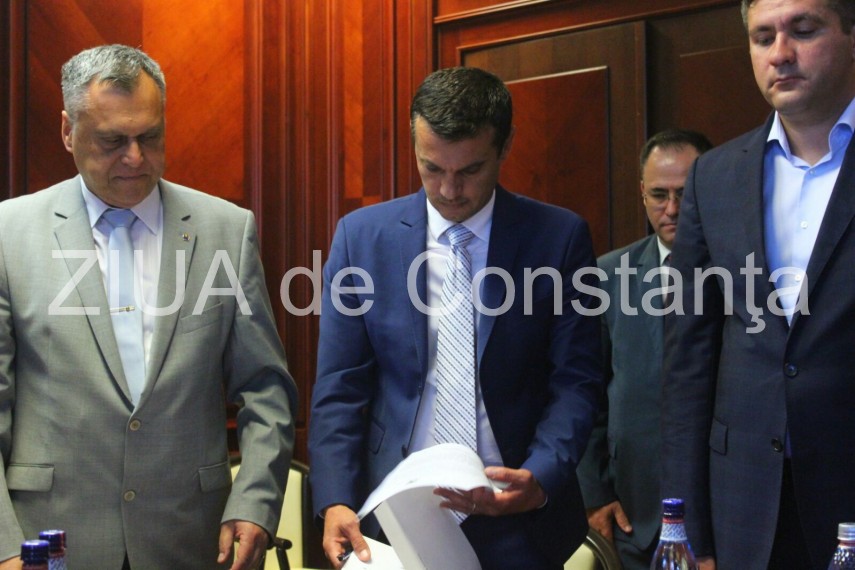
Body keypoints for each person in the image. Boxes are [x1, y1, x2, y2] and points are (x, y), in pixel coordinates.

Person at [0, 45, 297, 570]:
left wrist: (255, 502)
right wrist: (4, 546)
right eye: (113, 140)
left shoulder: (226, 231)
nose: (135, 158)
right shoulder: (9, 234)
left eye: (150, 137)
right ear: (68, 130)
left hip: (188, 538)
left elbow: (265, 387)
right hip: (50, 541)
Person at [308, 66, 602, 569]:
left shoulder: (558, 238)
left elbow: (577, 380)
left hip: (517, 515)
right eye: (431, 168)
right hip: (393, 515)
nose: (448, 189)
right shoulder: (361, 239)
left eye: (470, 170)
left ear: (505, 147)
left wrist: (541, 475)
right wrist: (336, 497)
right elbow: (340, 387)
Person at [661, 0, 855, 568]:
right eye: (763, 37)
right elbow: (688, 358)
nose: (781, 53)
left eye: (804, 30)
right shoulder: (714, 176)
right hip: (742, 500)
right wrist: (686, 529)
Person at [577, 129, 711, 569]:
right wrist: (594, 494)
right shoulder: (605, 276)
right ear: (641, 192)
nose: (671, 209)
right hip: (631, 516)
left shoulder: (741, 274)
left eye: (683, 194)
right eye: (658, 195)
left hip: (719, 514)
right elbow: (584, 392)